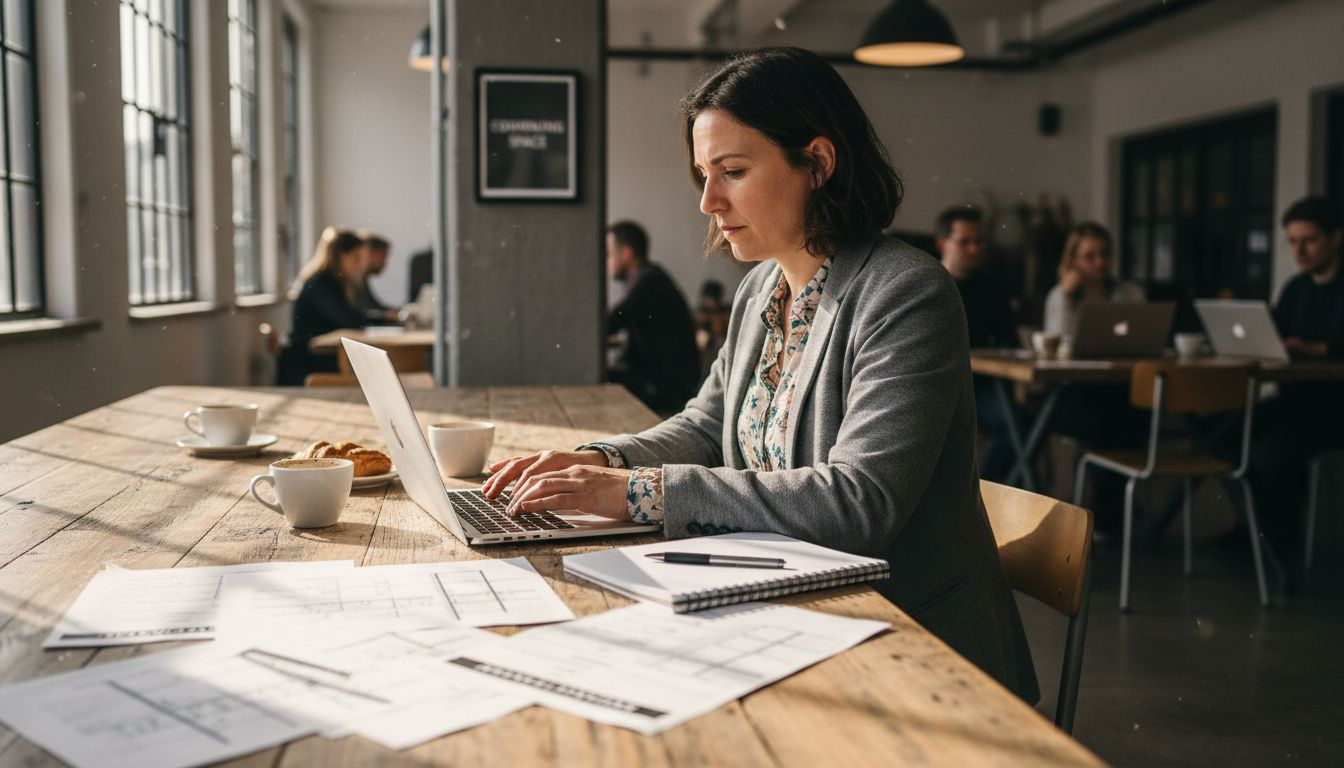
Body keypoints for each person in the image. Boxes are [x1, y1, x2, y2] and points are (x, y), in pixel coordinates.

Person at [481, 47, 1037, 703]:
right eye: (703, 175)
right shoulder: (759, 292)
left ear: (819, 164)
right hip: (788, 619)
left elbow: (860, 503)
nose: (708, 202)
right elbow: (708, 426)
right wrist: (596, 463)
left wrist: (638, 493)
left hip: (913, 650)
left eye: (733, 171)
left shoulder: (908, 293)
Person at [1249, 196, 1344, 549]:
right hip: (1297, 399)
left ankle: (1278, 544)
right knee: (1225, 427)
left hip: (1334, 407)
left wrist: (1313, 348)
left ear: (1336, 238)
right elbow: (1272, 334)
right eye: (1292, 241)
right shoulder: (1296, 288)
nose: (1299, 250)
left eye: (1309, 240)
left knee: (1270, 449)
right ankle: (1251, 528)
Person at [935, 205, 1019, 482]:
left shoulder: (994, 290)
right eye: (965, 242)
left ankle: (988, 495)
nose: (974, 249)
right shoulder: (927, 286)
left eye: (979, 242)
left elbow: (1011, 343)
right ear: (943, 243)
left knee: (1020, 426)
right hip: (936, 387)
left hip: (982, 389)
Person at [605, 220, 701, 413]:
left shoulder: (648, 282)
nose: (606, 262)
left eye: (608, 254)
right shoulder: (649, 277)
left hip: (663, 389)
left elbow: (608, 323)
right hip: (663, 381)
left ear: (626, 253)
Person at [276, 227, 370, 386]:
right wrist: (385, 319)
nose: (359, 265)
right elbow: (349, 320)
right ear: (340, 255)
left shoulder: (332, 283)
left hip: (316, 357)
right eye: (356, 258)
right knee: (368, 370)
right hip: (306, 364)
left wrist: (385, 319)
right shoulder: (320, 284)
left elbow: (353, 318)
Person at [1042, 221, 1144, 337]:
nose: (1100, 263)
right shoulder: (1058, 295)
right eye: (1089, 256)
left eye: (1104, 254)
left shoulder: (1130, 292)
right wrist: (1065, 296)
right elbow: (1058, 341)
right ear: (1073, 259)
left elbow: (1138, 335)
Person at [353, 231, 400, 324]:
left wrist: (399, 312)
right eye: (383, 256)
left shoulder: (362, 279)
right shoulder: (353, 280)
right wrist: (389, 316)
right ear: (369, 253)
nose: (385, 263)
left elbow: (374, 306)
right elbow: (360, 312)